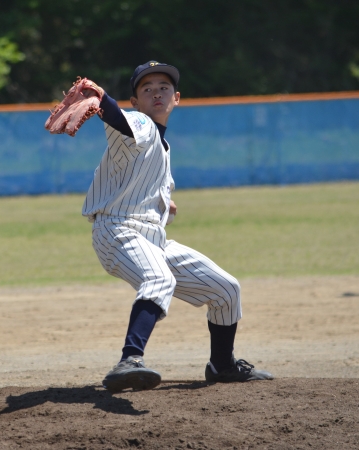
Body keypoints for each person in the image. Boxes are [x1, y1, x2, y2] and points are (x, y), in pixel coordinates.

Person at [78, 61, 273, 392]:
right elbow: (119, 119)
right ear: (135, 101)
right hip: (117, 231)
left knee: (226, 290)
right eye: (147, 88)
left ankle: (222, 365)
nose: (156, 93)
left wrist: (164, 203)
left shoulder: (163, 148)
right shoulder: (140, 122)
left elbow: (149, 183)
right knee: (159, 279)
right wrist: (102, 100)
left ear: (176, 98)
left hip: (152, 238)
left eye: (164, 87)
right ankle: (129, 360)